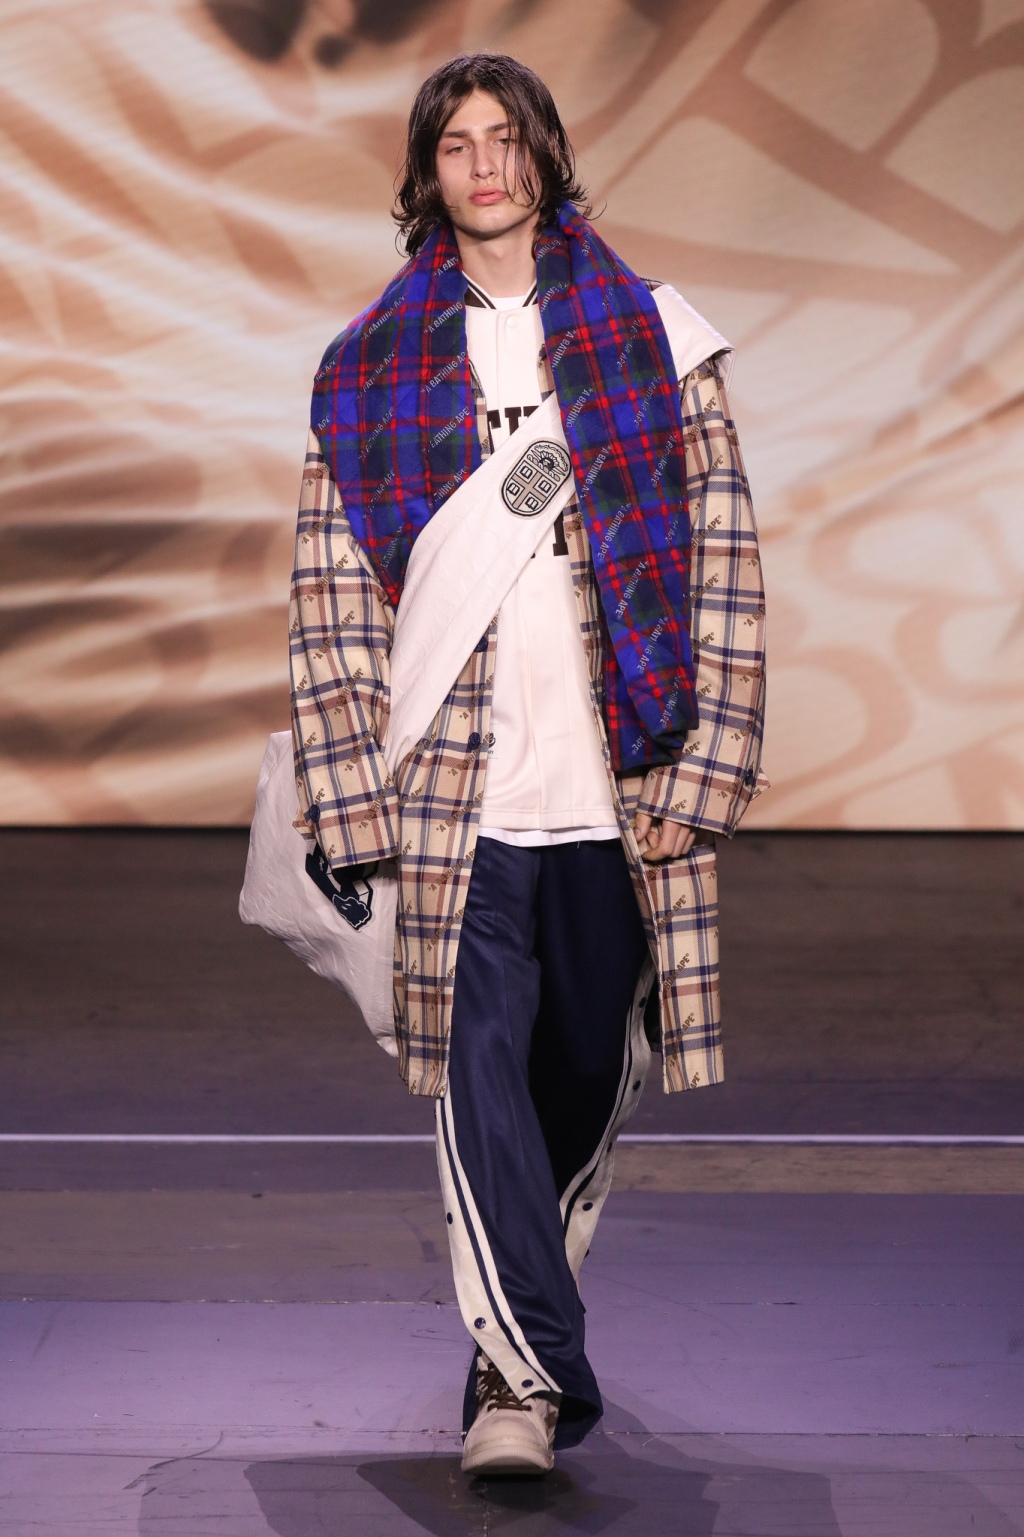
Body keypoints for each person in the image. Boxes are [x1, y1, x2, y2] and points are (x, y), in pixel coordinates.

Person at [290, 52, 766, 1475]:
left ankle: (515, 1354)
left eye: (508, 139)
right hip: (455, 793)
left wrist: (705, 777)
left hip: (618, 780)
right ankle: (524, 1384)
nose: (487, 166)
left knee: (583, 1073)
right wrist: (351, 799)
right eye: (458, 145)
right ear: (425, 174)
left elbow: (725, 560)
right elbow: (330, 599)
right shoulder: (368, 370)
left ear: (547, 154)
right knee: (475, 1071)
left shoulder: (657, 340)